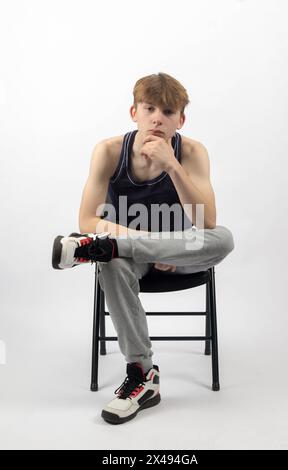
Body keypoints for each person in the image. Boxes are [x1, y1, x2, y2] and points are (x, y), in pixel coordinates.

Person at [51, 72, 234, 425]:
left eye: (167, 112)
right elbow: (88, 220)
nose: (157, 118)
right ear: (134, 112)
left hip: (180, 256)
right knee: (111, 262)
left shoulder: (193, 153)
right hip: (129, 259)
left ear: (180, 120)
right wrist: (146, 249)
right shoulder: (108, 151)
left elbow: (206, 224)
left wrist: (172, 166)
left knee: (224, 238)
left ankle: (99, 250)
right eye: (149, 108)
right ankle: (143, 375)